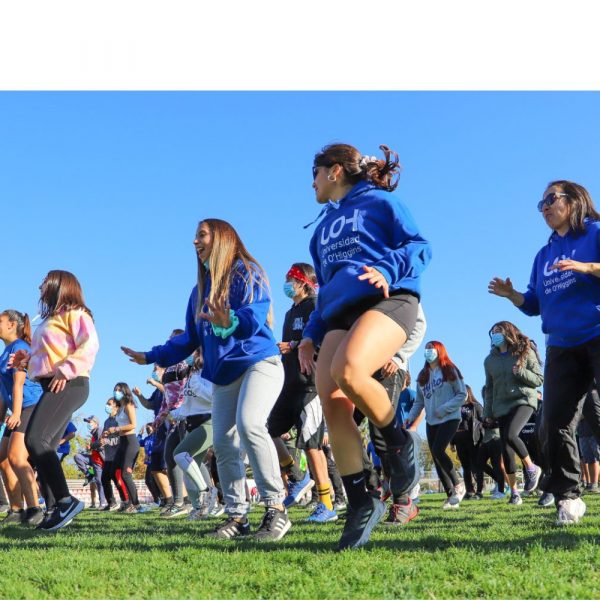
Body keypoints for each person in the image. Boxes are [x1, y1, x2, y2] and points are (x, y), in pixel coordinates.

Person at [122, 218, 291, 541]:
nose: (194, 242)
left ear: (223, 238)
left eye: (201, 235)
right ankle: (237, 515)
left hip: (259, 363)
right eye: (194, 236)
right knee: (226, 444)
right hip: (225, 374)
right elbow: (188, 339)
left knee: (250, 424)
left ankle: (276, 509)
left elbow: (255, 315)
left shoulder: (246, 272)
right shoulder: (199, 291)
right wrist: (152, 355)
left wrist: (231, 319)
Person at [297, 143, 431, 550]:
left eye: (315, 173)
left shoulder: (381, 203)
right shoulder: (320, 232)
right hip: (339, 314)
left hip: (388, 298)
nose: (313, 182)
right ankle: (361, 502)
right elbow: (324, 294)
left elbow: (419, 247)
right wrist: (309, 335)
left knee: (350, 370)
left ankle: (398, 441)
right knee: (330, 395)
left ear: (335, 170)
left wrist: (386, 268)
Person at [489, 180, 600, 525]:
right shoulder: (544, 255)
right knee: (555, 422)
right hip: (561, 346)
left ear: (574, 200)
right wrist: (513, 296)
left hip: (596, 334)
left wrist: (586, 268)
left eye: (551, 199)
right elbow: (534, 304)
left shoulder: (595, 233)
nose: (545, 207)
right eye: (541, 204)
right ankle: (568, 497)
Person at [10, 270, 99, 531]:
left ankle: (64, 501)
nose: (39, 286)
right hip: (53, 384)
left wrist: (67, 368)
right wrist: (26, 362)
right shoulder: (52, 318)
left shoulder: (77, 313)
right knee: (42, 446)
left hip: (70, 383)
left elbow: (89, 344)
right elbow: (48, 354)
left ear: (58, 286)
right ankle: (54, 509)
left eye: (44, 282)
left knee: (35, 440)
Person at [267, 262, 337, 523]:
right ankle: (296, 476)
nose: (286, 284)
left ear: (302, 281)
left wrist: (294, 344)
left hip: (310, 385)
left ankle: (327, 504)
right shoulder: (289, 313)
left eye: (290, 279)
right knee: (265, 430)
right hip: (289, 384)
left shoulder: (316, 306)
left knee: (312, 446)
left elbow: (322, 338)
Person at [483, 321, 544, 506]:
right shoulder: (489, 360)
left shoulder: (524, 351)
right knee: (506, 450)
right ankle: (515, 494)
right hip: (501, 405)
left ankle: (532, 468)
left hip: (523, 400)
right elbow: (490, 388)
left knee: (511, 434)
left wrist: (521, 372)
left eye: (498, 331)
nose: (495, 335)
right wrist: (488, 412)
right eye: (492, 332)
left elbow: (538, 379)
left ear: (508, 333)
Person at [406, 341, 467, 509]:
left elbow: (462, 394)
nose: (428, 352)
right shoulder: (423, 375)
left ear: (439, 351)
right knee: (436, 456)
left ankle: (458, 484)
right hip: (431, 421)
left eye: (431, 349)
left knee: (439, 450)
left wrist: (445, 408)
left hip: (450, 418)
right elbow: (419, 401)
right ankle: (451, 496)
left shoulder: (450, 369)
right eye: (426, 349)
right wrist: (410, 417)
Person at [0, 309, 44, 526]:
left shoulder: (20, 348)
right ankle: (16, 510)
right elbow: (3, 390)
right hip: (16, 408)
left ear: (11, 325)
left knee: (17, 457)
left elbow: (18, 383)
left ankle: (35, 508)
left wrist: (16, 413)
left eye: (0, 321)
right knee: (4, 459)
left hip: (29, 407)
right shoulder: (5, 352)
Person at [172, 349, 216, 520]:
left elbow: (212, 398)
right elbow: (189, 406)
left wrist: (196, 384)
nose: (187, 357)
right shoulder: (193, 374)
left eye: (192, 353)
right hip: (193, 423)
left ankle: (207, 492)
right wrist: (175, 413)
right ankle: (199, 508)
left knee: (180, 455)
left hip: (209, 422)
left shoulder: (208, 372)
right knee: (189, 468)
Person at [105, 383, 143, 513]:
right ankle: (125, 502)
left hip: (131, 442)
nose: (116, 392)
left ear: (125, 391)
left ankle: (137, 505)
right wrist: (110, 432)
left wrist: (116, 428)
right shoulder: (120, 407)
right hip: (122, 442)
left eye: (119, 390)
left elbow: (133, 424)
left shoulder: (129, 405)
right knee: (113, 473)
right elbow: (121, 427)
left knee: (126, 474)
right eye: (115, 389)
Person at [451, 385, 484, 500]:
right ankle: (469, 491)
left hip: (473, 441)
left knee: (476, 466)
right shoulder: (455, 407)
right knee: (466, 467)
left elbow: (482, 422)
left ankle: (479, 491)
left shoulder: (475, 406)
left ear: (468, 392)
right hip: (459, 441)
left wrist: (482, 440)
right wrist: (452, 442)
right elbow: (452, 425)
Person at [478, 386, 507, 500]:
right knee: (479, 463)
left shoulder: (498, 405)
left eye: (487, 393)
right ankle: (500, 481)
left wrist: (492, 422)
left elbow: (503, 420)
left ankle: (501, 491)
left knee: (497, 465)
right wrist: (484, 423)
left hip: (496, 437)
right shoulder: (485, 406)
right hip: (486, 438)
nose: (485, 395)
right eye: (484, 393)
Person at [100, 396, 129, 511]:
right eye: (106, 403)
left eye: (109, 403)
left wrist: (109, 439)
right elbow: (103, 437)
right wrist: (100, 441)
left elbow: (122, 436)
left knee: (117, 478)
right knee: (104, 479)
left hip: (118, 454)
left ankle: (126, 501)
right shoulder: (106, 421)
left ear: (116, 407)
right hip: (108, 456)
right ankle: (111, 503)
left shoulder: (119, 420)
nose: (106, 406)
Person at [73, 415, 106, 509]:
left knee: (99, 481)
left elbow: (102, 443)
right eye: (87, 422)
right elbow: (95, 447)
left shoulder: (99, 430)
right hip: (93, 458)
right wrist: (89, 449)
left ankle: (102, 502)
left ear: (96, 423)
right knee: (77, 457)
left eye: (90, 422)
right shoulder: (93, 434)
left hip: (99, 460)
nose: (88, 424)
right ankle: (89, 475)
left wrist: (91, 446)